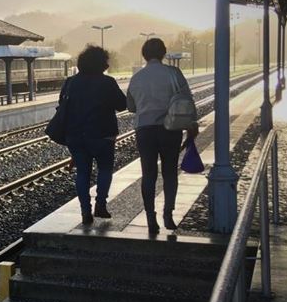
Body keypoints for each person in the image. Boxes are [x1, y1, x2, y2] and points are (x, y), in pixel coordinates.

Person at [127, 38, 198, 234]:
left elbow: (131, 107)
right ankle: (168, 214)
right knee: (169, 173)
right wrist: (192, 124)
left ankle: (151, 217)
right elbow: (187, 100)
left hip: (145, 130)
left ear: (144, 54)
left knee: (148, 174)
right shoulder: (173, 73)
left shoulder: (137, 78)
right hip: (170, 129)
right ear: (163, 53)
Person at [60, 45, 127, 225]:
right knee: (104, 169)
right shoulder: (107, 82)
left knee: (82, 172)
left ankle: (85, 212)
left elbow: (62, 107)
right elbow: (122, 105)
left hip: (76, 135)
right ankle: (101, 205)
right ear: (102, 64)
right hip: (102, 134)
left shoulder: (70, 82)